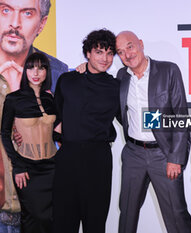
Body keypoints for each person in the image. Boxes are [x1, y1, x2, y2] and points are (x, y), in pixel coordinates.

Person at [116, 31, 191, 233]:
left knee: (177, 215)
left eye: (130, 46)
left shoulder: (168, 70)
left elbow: (180, 116)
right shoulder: (122, 77)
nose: (127, 54)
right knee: (127, 214)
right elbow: (120, 112)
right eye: (120, 52)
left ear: (141, 44)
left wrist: (175, 157)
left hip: (164, 154)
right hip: (133, 154)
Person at [0, 0, 68, 231]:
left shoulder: (59, 73)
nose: (14, 23)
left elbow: (63, 133)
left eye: (27, 13)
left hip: (40, 200)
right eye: (5, 10)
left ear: (41, 24)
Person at [52, 29, 119, 233]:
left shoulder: (116, 85)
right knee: (63, 221)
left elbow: (129, 117)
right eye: (99, 52)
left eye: (109, 53)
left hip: (98, 159)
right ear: (88, 53)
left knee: (95, 223)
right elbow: (56, 116)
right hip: (68, 158)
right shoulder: (68, 80)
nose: (105, 58)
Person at [1, 52, 57, 233]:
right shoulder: (14, 99)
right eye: (31, 67)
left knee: (51, 218)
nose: (36, 72)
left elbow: (56, 133)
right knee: (33, 218)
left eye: (41, 68)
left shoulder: (51, 99)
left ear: (47, 72)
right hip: (27, 169)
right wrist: (18, 166)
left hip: (53, 168)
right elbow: (4, 133)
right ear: (25, 70)